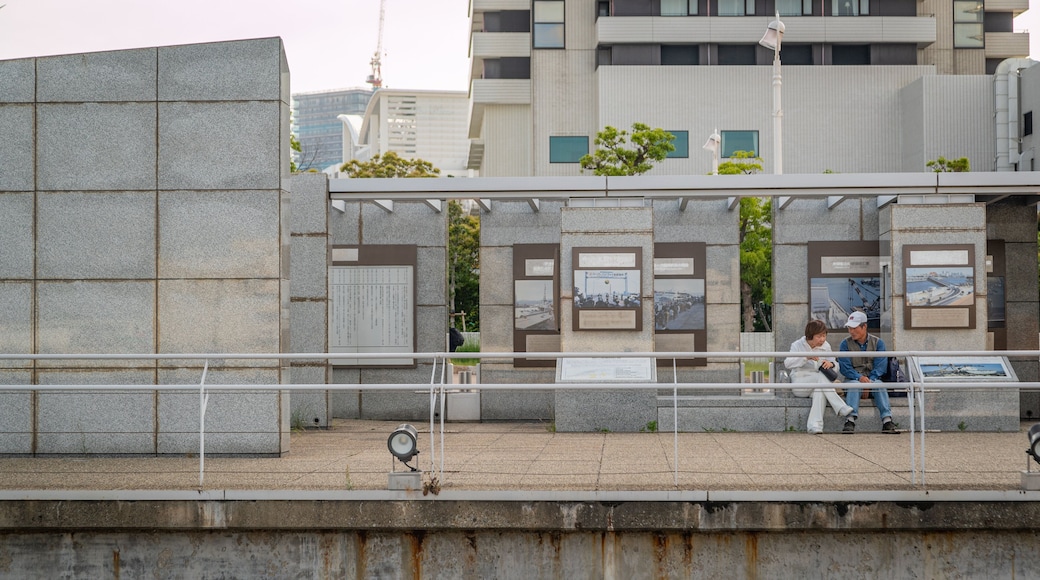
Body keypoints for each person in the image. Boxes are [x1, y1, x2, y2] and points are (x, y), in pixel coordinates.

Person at [784, 319, 854, 434]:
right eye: (819, 336)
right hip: (800, 384)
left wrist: (830, 364)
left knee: (820, 391)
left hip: (819, 383)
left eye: (824, 336)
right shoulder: (797, 345)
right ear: (810, 335)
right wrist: (806, 357)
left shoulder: (826, 346)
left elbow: (835, 365)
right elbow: (788, 363)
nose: (822, 339)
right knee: (821, 380)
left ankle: (815, 426)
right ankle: (840, 406)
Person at [837, 311, 897, 434]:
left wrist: (869, 382)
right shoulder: (845, 344)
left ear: (864, 327)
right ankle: (850, 419)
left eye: (854, 328)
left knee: (879, 385)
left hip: (872, 378)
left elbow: (880, 367)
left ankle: (887, 420)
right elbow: (845, 368)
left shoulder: (878, 343)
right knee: (853, 385)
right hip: (853, 378)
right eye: (849, 328)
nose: (851, 331)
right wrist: (860, 378)